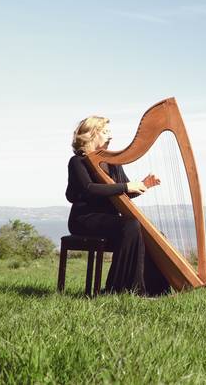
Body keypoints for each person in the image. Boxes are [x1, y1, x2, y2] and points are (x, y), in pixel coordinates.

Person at [65, 116, 170, 296]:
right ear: (91, 134)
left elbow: (125, 192)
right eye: (105, 132)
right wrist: (127, 186)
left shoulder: (113, 163)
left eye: (110, 132)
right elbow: (89, 189)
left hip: (109, 222)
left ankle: (154, 290)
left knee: (151, 235)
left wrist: (145, 184)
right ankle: (121, 290)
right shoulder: (77, 162)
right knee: (130, 224)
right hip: (84, 220)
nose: (110, 136)